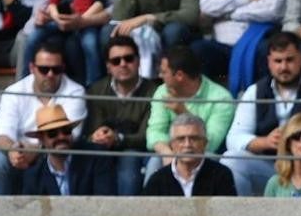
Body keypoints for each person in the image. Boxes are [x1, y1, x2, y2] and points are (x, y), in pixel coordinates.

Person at [223, 31, 301, 196]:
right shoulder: (255, 91)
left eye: (289, 60)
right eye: (278, 61)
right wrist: (264, 142)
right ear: (269, 63)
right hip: (269, 168)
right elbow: (234, 138)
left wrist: (295, 141)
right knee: (231, 159)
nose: (283, 67)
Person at [0, 40, 87, 194]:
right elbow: (1, 133)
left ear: (63, 68)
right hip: (19, 156)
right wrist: (13, 150)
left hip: (57, 154)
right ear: (32, 68)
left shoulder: (75, 91)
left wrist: (36, 150)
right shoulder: (14, 91)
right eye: (44, 69)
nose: (51, 74)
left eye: (56, 69)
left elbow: (71, 135)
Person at [84, 35, 158, 195]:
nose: (123, 64)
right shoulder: (95, 91)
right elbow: (92, 131)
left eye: (128, 58)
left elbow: (146, 137)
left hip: (136, 150)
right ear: (108, 67)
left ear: (138, 61)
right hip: (102, 149)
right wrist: (97, 136)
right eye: (116, 61)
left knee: (129, 158)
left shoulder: (153, 91)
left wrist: (118, 138)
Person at [145, 44, 235, 174]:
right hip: (171, 151)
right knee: (155, 161)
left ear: (180, 76)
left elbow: (210, 144)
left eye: (164, 72)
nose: (160, 76)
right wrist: (167, 153)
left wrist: (183, 112)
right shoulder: (162, 92)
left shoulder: (221, 98)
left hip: (206, 157)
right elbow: (154, 132)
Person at [195, 0, 287, 82]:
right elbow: (206, 5)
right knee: (198, 49)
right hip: (221, 43)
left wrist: (230, 15)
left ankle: (262, 95)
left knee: (267, 50)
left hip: (257, 40)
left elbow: (272, 10)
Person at [23, 0, 109, 85]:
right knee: (34, 36)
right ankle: (25, 80)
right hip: (60, 19)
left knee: (90, 43)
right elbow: (52, 3)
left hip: (85, 21)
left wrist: (81, 20)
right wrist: (56, 16)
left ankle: (93, 84)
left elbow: (99, 3)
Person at [20, 103, 116, 195]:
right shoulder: (34, 176)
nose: (61, 137)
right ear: (41, 139)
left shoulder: (96, 157)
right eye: (52, 133)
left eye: (66, 131)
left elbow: (104, 202)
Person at [106, 0, 201, 53]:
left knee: (173, 31)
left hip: (174, 27)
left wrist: (149, 18)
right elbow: (118, 17)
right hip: (140, 30)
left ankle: (167, 71)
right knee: (108, 32)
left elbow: (191, 14)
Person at [142, 112, 236, 196]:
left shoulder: (221, 175)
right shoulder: (157, 180)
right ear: (172, 145)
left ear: (205, 143)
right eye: (181, 139)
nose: (187, 145)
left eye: (194, 138)